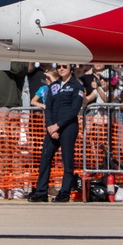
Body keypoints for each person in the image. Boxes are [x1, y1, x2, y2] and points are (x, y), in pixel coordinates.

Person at [29, 63, 84, 203]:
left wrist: (58, 126)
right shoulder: (53, 86)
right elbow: (48, 107)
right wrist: (50, 126)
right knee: (45, 159)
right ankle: (41, 192)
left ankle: (64, 192)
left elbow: (74, 110)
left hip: (68, 126)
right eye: (59, 66)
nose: (61, 69)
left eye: (64, 66)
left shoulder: (77, 86)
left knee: (67, 160)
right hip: (52, 127)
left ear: (70, 68)